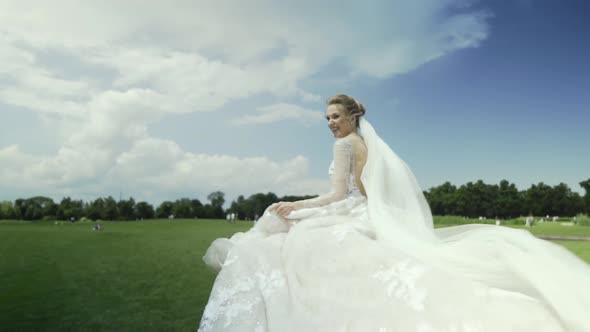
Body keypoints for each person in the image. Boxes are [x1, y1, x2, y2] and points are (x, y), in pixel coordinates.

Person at [198, 94, 590, 332]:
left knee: (278, 231)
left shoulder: (345, 146)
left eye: (336, 116)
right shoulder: (367, 145)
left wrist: (295, 204)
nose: (331, 124)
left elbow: (337, 194)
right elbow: (367, 192)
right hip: (366, 210)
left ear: (352, 117)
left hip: (349, 210)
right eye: (327, 118)